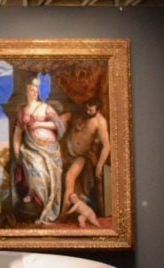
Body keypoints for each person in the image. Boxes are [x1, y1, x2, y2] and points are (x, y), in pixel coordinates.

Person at [11, 79, 66, 225]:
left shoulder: (45, 107)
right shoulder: (22, 111)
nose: (34, 93)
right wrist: (17, 153)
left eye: (36, 91)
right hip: (30, 148)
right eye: (31, 90)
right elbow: (17, 133)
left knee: (49, 178)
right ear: (26, 91)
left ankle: (46, 209)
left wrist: (38, 124)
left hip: (50, 150)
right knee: (36, 171)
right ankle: (36, 199)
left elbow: (58, 125)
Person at [62, 99, 110, 228]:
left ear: (98, 110)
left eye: (91, 110)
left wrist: (99, 165)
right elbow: (68, 116)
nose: (88, 112)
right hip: (65, 150)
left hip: (81, 156)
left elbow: (106, 146)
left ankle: (63, 214)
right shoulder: (83, 113)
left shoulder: (101, 122)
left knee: (69, 177)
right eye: (87, 108)